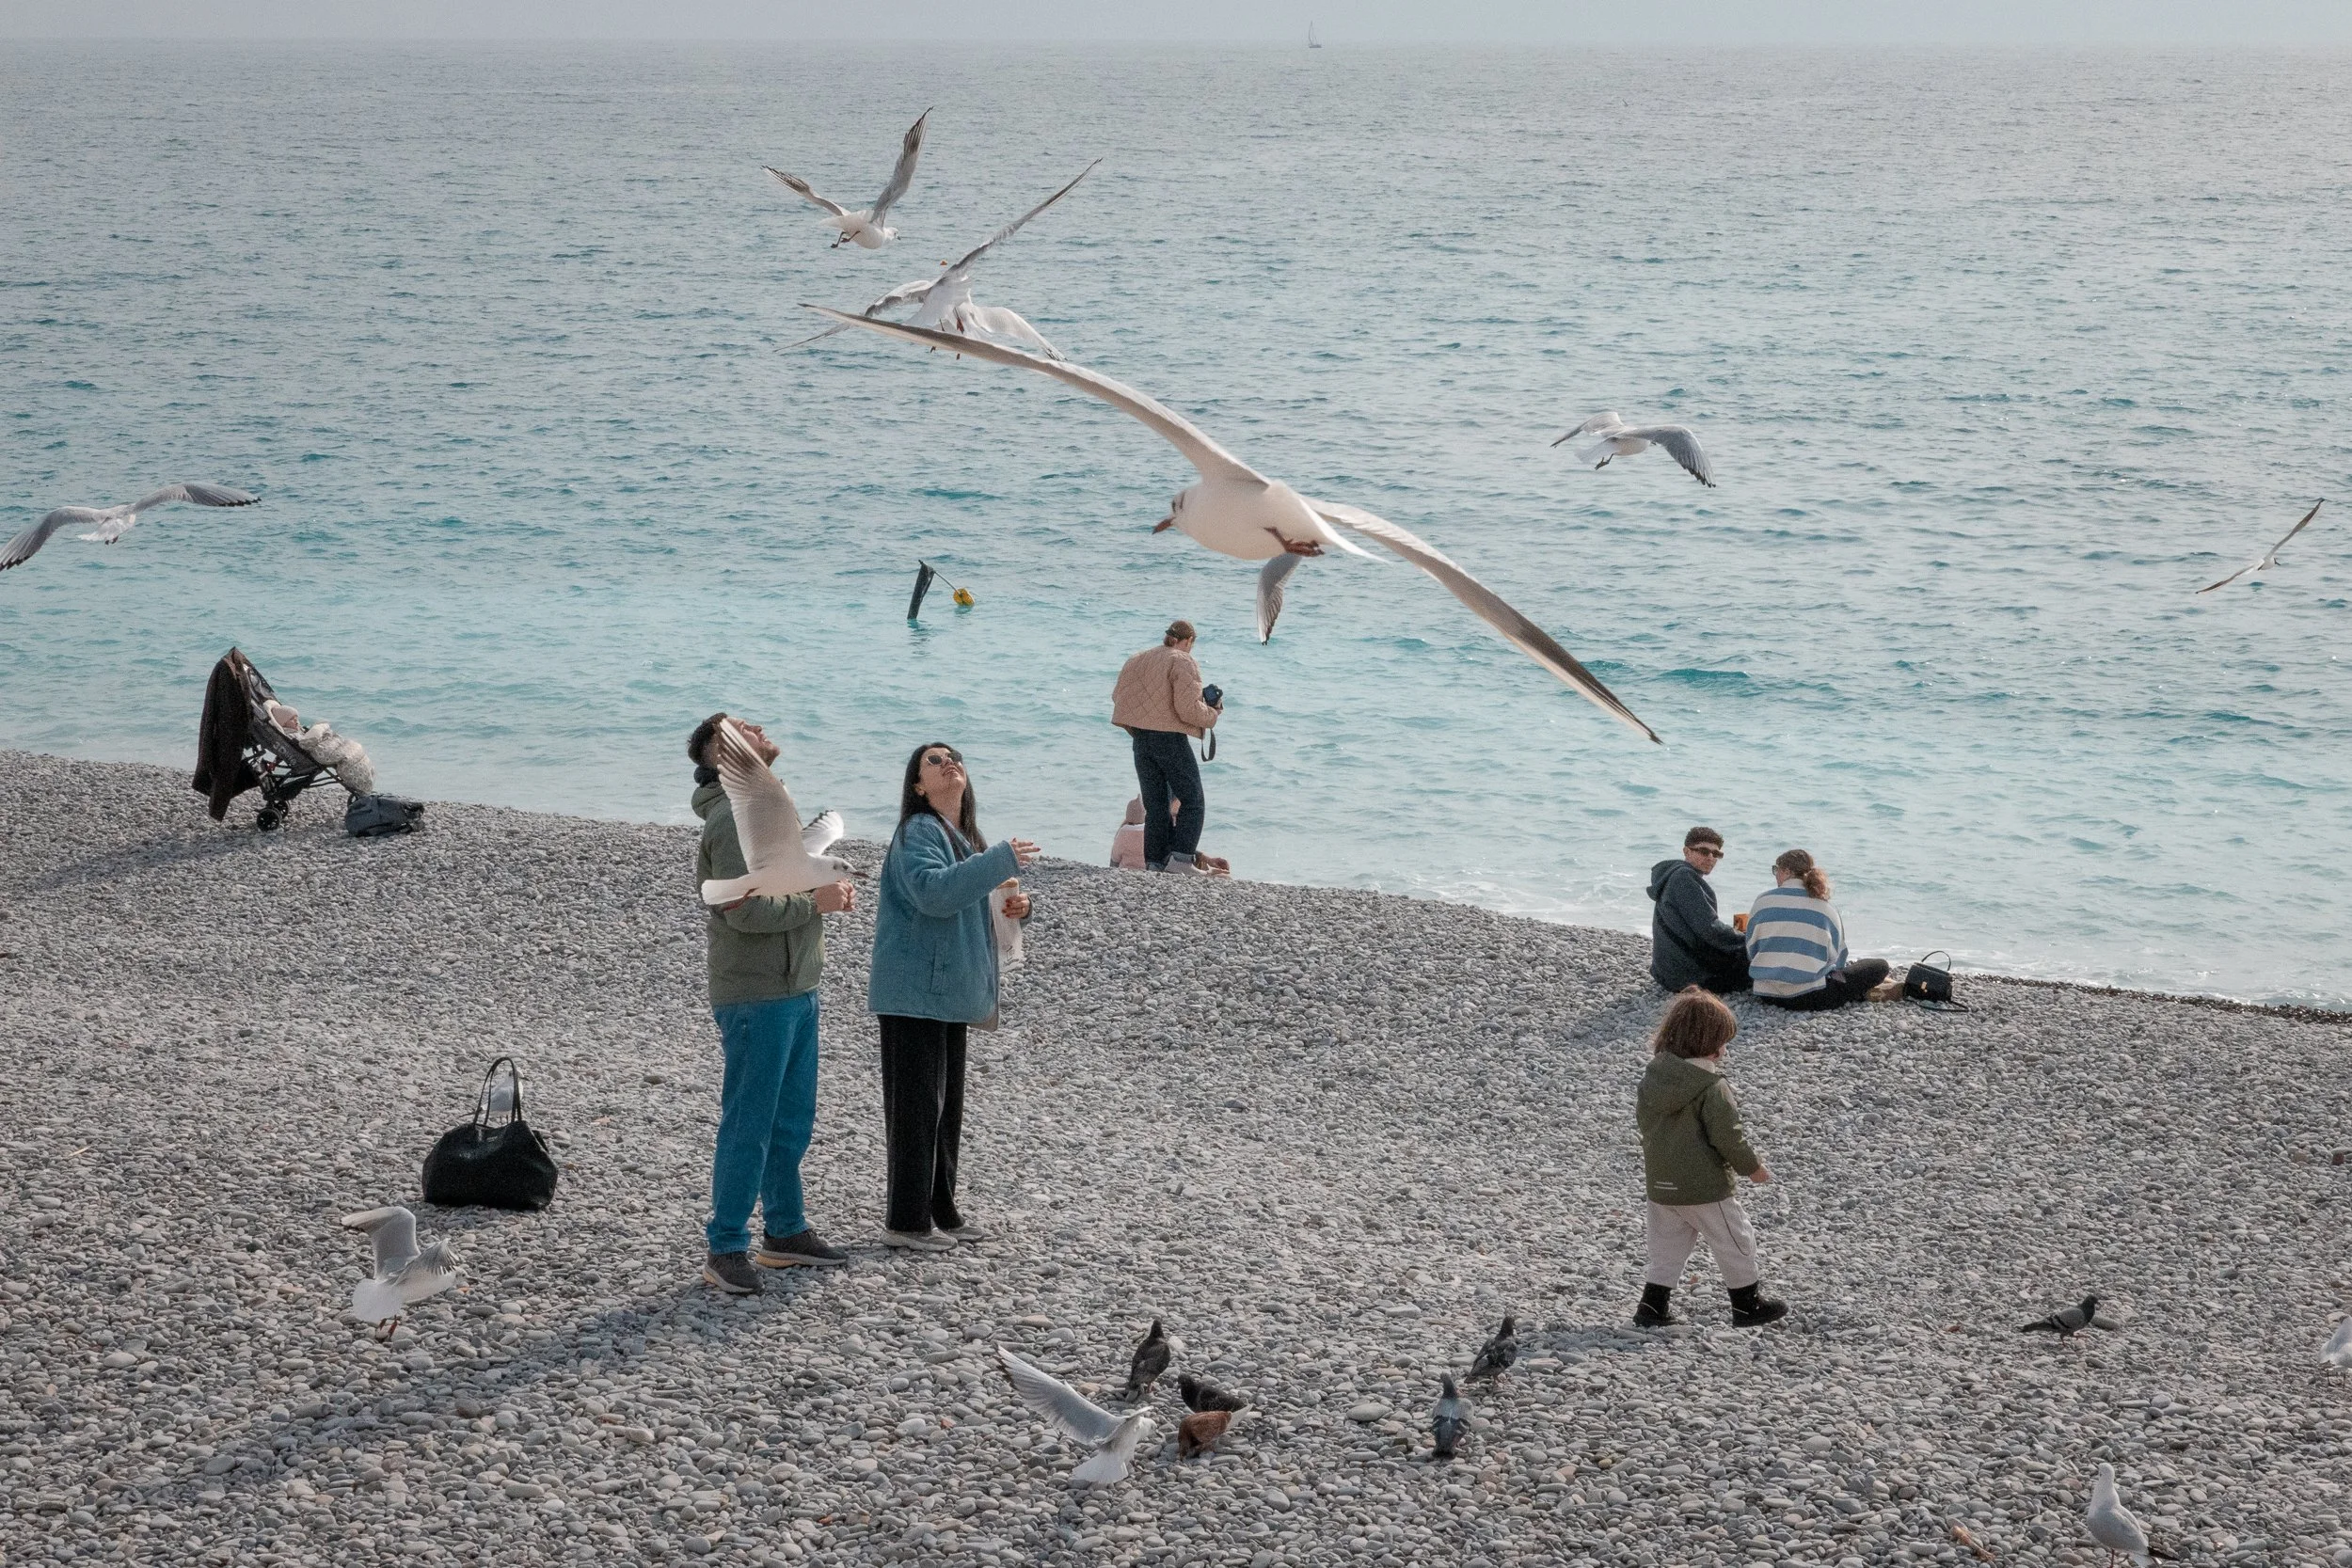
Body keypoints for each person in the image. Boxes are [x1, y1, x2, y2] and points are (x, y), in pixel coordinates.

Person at [688, 713, 855, 1295]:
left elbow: (783, 886)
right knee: (751, 1122)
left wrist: (817, 890)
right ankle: (726, 1246)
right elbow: (743, 909)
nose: (757, 727)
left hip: (796, 986)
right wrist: (818, 903)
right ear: (721, 754)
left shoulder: (759, 808)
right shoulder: (733, 820)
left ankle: (784, 1232)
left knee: (790, 1118)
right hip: (756, 992)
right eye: (740, 729)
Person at [867, 742, 1039, 1252]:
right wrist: (999, 858)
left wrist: (1018, 908)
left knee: (944, 1109)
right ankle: (905, 1221)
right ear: (918, 786)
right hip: (916, 990)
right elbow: (934, 893)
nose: (949, 764)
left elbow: (973, 897)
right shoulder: (918, 830)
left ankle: (940, 1210)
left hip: (946, 990)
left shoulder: (963, 837)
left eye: (952, 757)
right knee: (917, 1109)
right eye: (934, 761)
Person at [1633, 988, 1788, 1329]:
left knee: (1667, 1248)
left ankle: (1652, 1306)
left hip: (1660, 1185)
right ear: (1710, 1045)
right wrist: (1752, 1168)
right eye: (1723, 1042)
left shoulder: (1652, 1079)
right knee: (1736, 1239)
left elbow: (1646, 1124)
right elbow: (1728, 1136)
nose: (1726, 1050)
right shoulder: (1710, 1086)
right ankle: (1747, 1305)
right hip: (1704, 1187)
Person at [1111, 619, 1223, 874]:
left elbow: (1117, 696)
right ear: (1188, 641)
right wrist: (1212, 714)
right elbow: (1187, 709)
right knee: (1193, 800)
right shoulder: (1182, 660)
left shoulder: (1137, 659)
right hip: (1169, 739)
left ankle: (1155, 862)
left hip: (1140, 739)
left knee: (1157, 806)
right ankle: (1181, 861)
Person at [1744, 848, 1892, 1010]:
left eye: (1776, 870)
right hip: (1812, 996)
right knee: (1880, 966)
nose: (1776, 876)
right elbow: (1837, 958)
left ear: (1786, 872)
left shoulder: (1762, 901)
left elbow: (1751, 949)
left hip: (1767, 995)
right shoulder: (1826, 907)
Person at [1647, 826, 1750, 993]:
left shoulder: (1675, 874)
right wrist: (1748, 939)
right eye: (1704, 851)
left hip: (1667, 969)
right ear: (1686, 851)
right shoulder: (1684, 878)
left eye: (1716, 854)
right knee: (1754, 955)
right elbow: (1709, 929)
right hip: (1686, 976)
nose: (1710, 857)